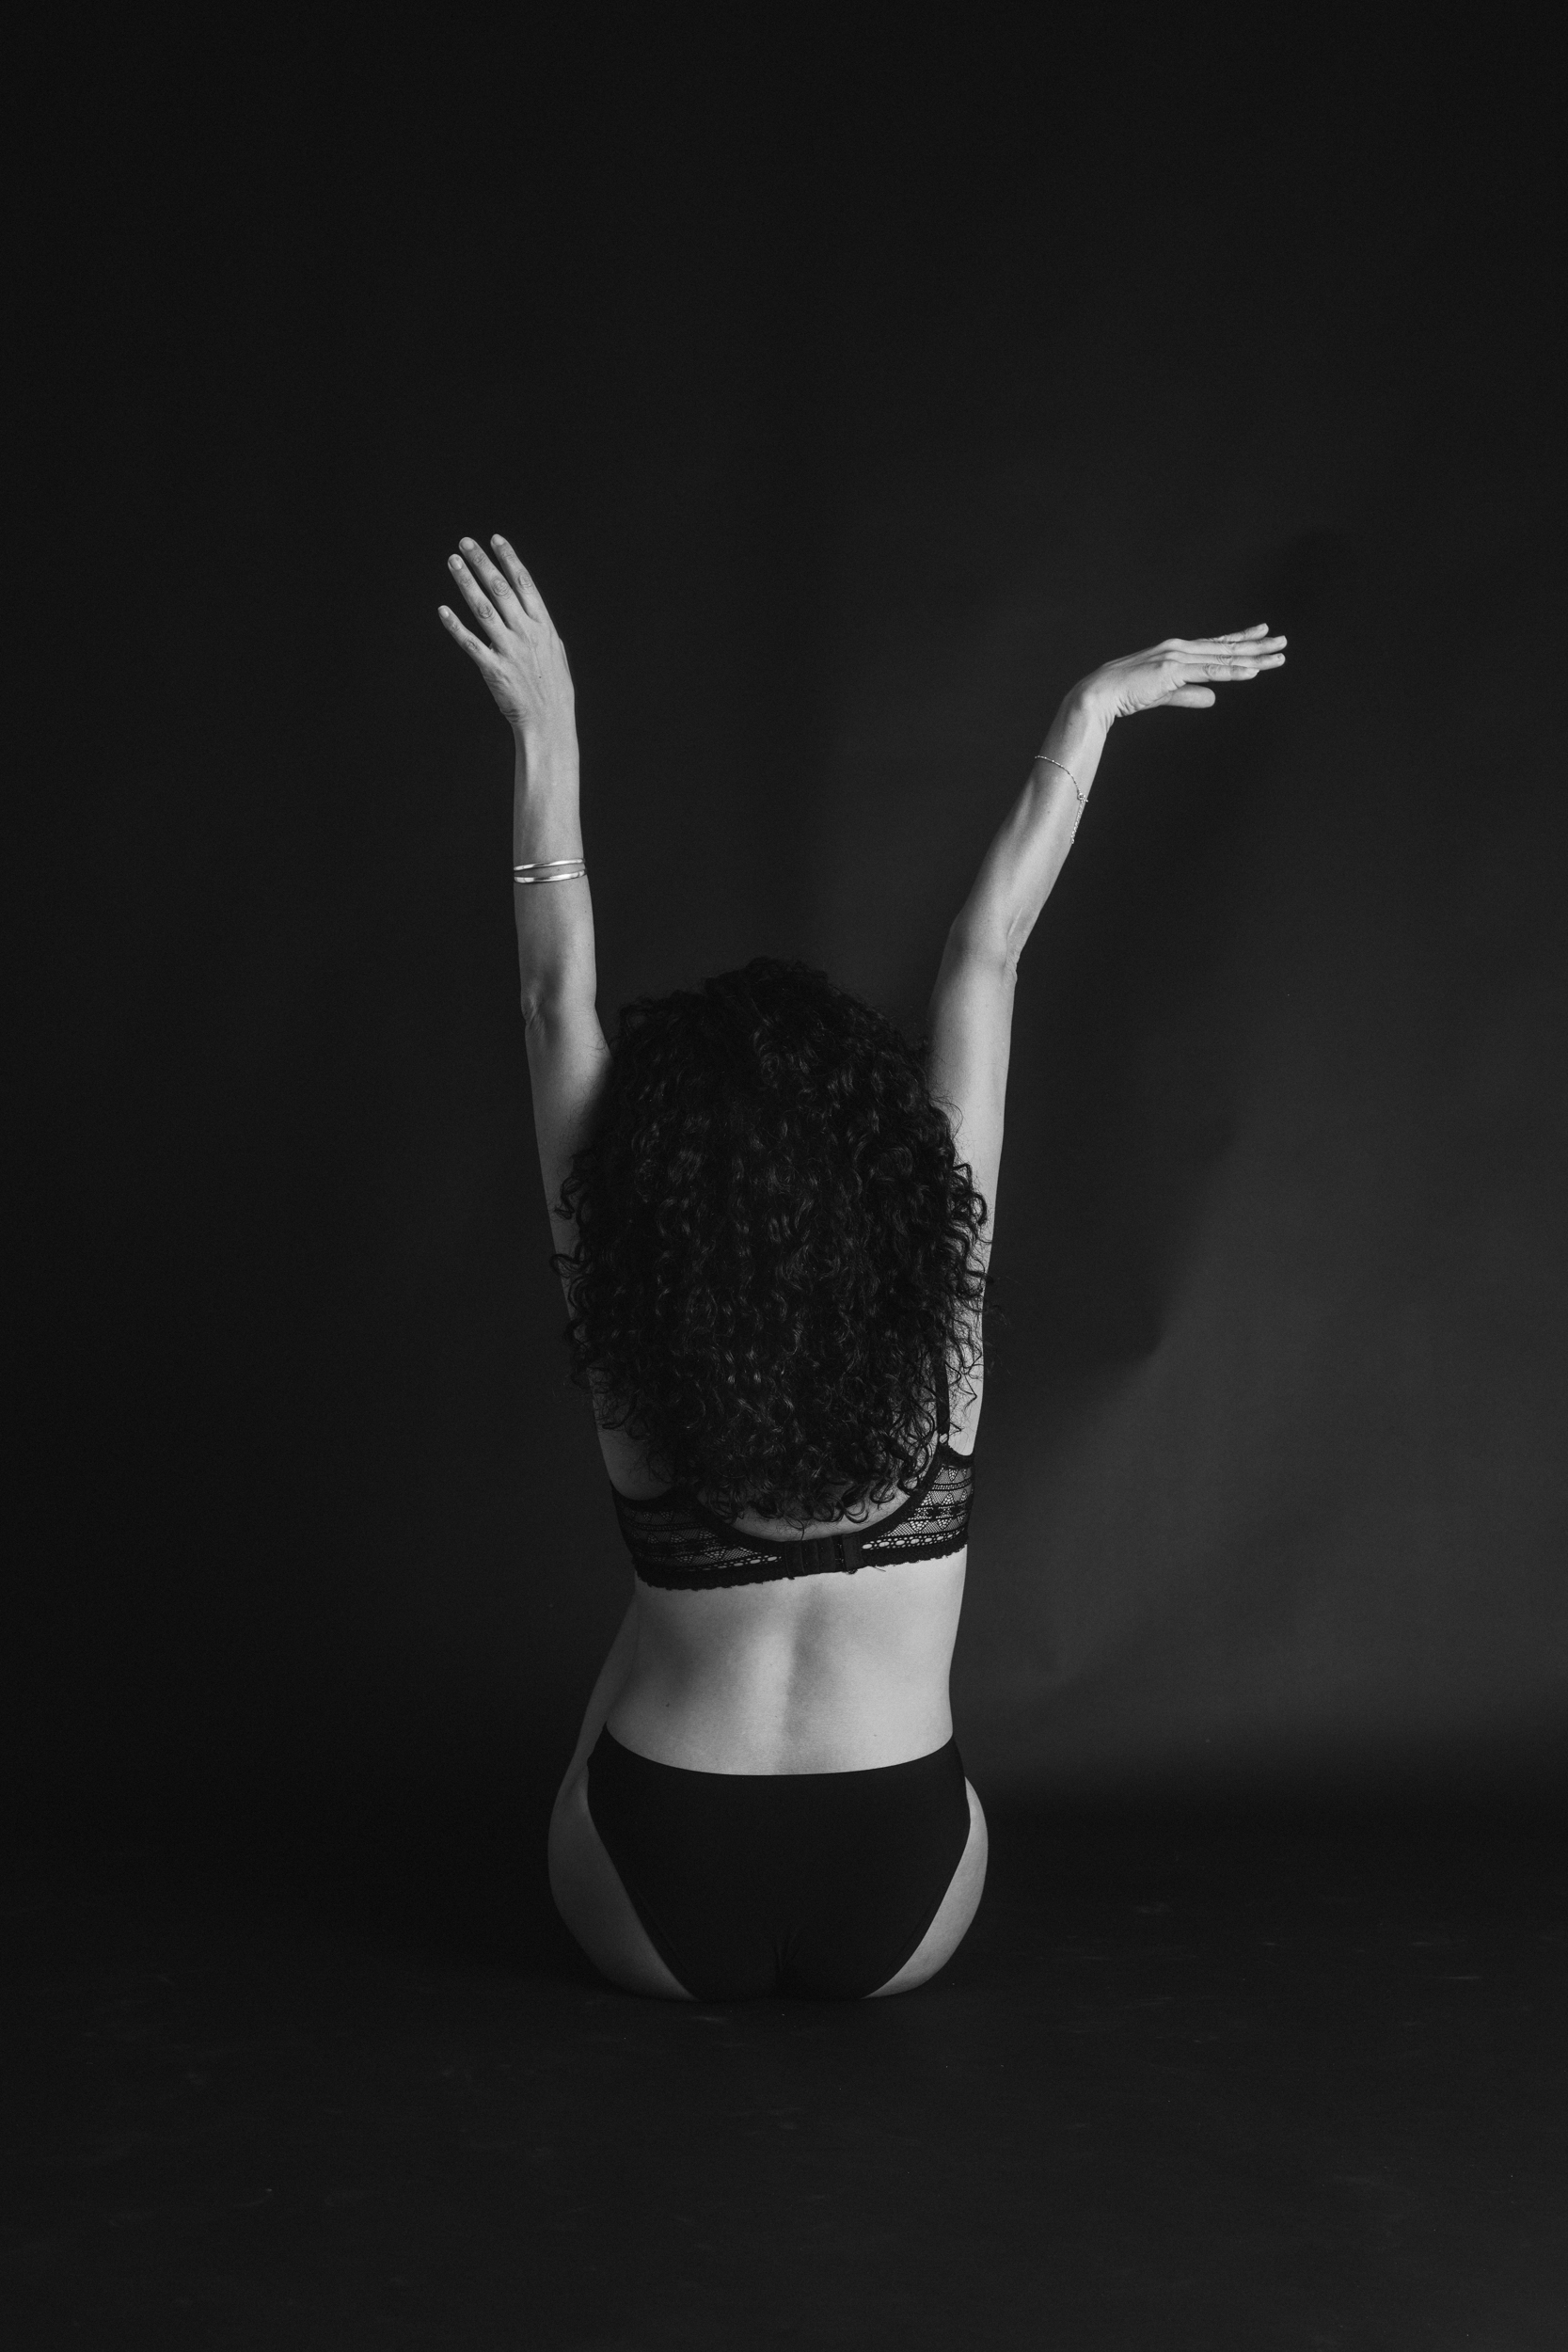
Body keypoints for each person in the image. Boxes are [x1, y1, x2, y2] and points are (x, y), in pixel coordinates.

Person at [439, 534, 1285, 2001]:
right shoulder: (941, 1315)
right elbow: (988, 959)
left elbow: (546, 996)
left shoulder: (630, 1326)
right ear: (881, 1166)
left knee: (631, 1658)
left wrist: (550, 724)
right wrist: (1087, 716)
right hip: (902, 1905)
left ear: (666, 1191)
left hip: (653, 1902)